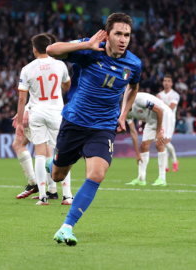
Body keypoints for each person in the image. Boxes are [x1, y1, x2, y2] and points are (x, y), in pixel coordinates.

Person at [43, 13, 141, 246]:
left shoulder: (134, 64)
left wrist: (124, 114)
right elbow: (51, 50)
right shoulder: (89, 50)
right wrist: (85, 44)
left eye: (127, 35)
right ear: (107, 34)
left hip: (103, 127)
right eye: (118, 33)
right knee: (58, 175)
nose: (123, 39)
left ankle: (67, 227)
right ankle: (52, 163)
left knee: (97, 174)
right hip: (75, 122)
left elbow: (133, 86)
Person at [15, 33, 73, 206]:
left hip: (37, 113)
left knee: (40, 153)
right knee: (61, 153)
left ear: (34, 49)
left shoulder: (27, 68)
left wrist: (19, 122)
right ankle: (67, 196)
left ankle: (43, 197)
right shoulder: (60, 65)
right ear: (49, 47)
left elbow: (21, 99)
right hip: (56, 112)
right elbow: (68, 86)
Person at [125, 92, 173, 186]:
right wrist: (137, 153)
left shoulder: (139, 100)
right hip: (151, 120)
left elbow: (159, 111)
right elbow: (133, 132)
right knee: (144, 146)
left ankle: (162, 178)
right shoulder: (126, 113)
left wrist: (158, 132)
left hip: (163, 115)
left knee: (159, 144)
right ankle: (141, 178)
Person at [156, 74, 180, 172]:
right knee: (162, 142)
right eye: (165, 80)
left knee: (166, 142)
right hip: (161, 121)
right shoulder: (159, 94)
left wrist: (160, 102)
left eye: (168, 81)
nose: (166, 82)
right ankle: (166, 166)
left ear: (172, 83)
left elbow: (171, 108)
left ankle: (174, 161)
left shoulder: (175, 95)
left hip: (170, 121)